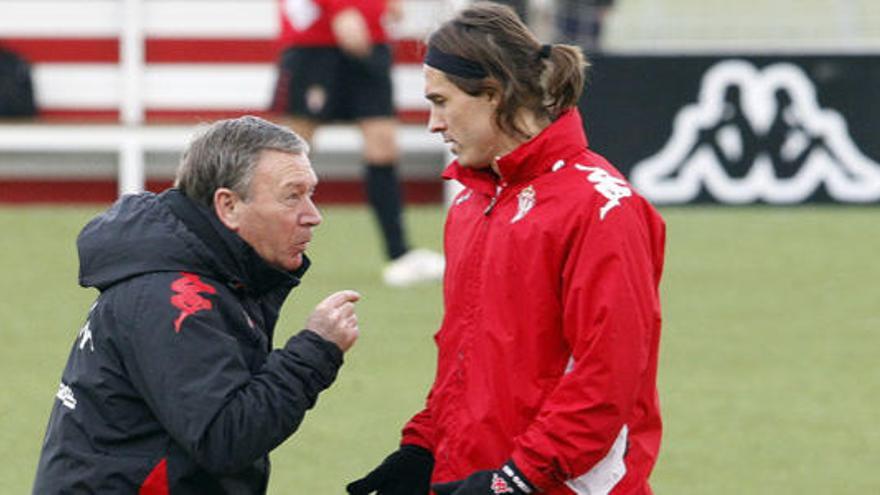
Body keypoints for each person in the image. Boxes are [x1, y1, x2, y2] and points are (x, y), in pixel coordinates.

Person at [347, 3, 665, 495]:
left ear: (493, 95)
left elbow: (606, 379)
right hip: (475, 479)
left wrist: (515, 479)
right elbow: (464, 360)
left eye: (441, 101)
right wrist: (421, 449)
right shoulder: (473, 203)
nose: (433, 123)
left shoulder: (601, 208)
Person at [32, 115, 361, 494]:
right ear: (229, 206)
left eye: (311, 193)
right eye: (292, 196)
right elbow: (225, 438)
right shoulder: (175, 298)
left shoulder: (209, 270)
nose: (312, 216)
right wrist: (314, 351)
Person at [271, 0, 445, 287]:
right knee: (290, 152)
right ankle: (262, 252)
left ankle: (399, 254)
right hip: (315, 42)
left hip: (370, 38)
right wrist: (339, 7)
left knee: (384, 145)